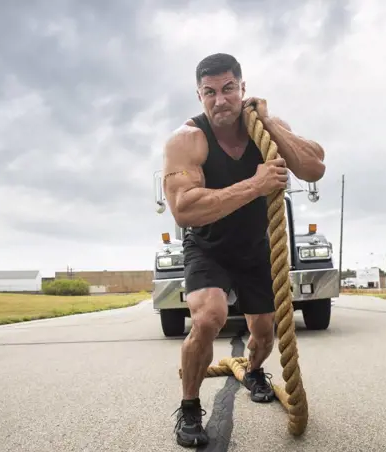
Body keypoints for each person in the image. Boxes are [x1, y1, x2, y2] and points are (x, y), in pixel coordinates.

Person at [161, 53, 326, 448]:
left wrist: (267, 123)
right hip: (208, 247)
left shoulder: (265, 129)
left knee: (265, 334)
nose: (221, 100)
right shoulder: (187, 139)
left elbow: (314, 167)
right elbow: (184, 210)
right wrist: (255, 185)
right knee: (207, 318)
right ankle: (188, 408)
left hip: (256, 248)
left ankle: (252, 371)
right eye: (210, 92)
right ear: (199, 95)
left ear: (243, 88)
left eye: (228, 89)